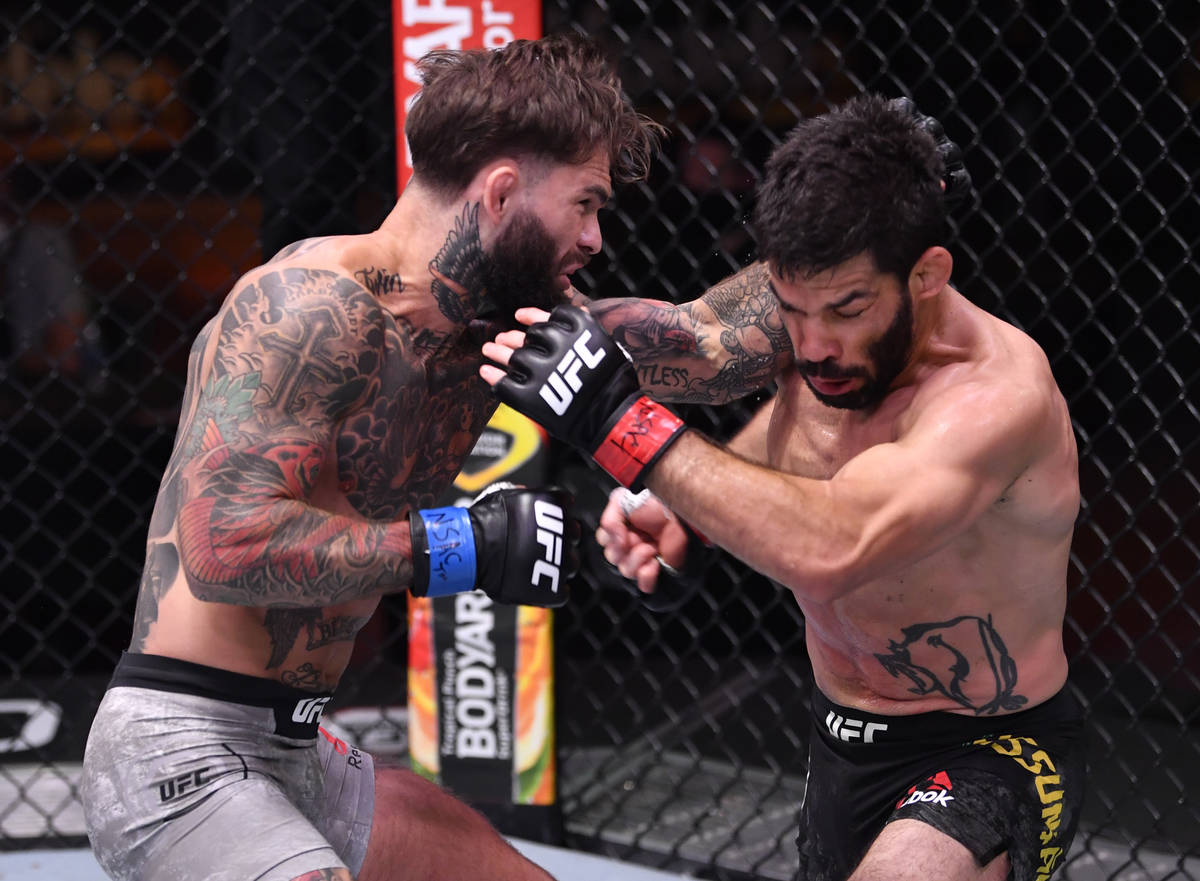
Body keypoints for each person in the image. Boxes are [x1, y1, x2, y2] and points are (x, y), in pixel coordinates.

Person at [79, 33, 663, 881]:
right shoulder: (309, 309)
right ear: (501, 192)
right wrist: (465, 545)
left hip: (302, 755)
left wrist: (878, 225)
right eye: (585, 203)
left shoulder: (499, 334)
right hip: (180, 751)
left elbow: (719, 343)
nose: (596, 238)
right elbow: (223, 547)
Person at [480, 94, 1085, 881]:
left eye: (847, 309)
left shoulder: (995, 399)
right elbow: (704, 351)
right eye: (792, 309)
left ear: (928, 274)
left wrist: (619, 423)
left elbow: (836, 544)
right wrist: (689, 513)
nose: (813, 344)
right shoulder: (815, 307)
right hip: (841, 742)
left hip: (990, 745)